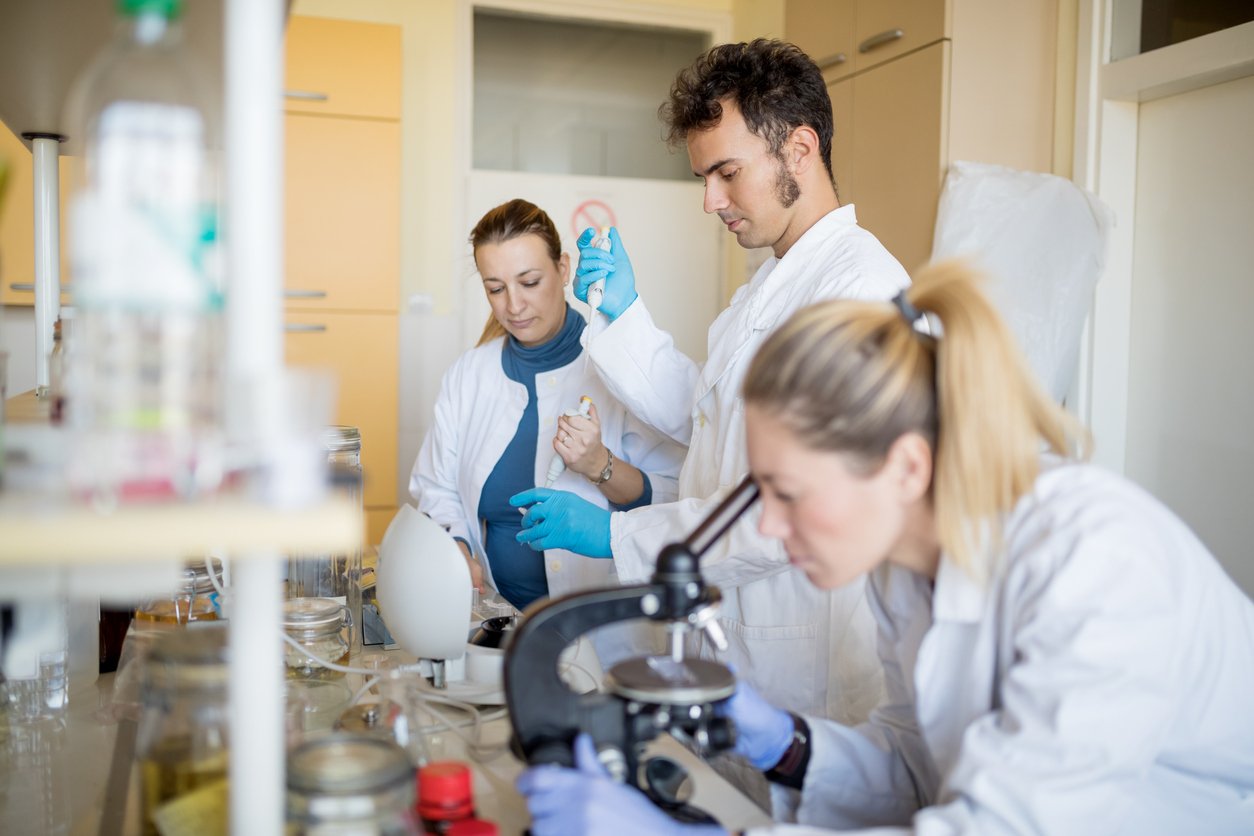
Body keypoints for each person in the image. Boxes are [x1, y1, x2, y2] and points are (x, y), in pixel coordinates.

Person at [516, 261, 1254, 835]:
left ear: (905, 466)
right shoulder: (905, 574)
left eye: (788, 492)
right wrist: (782, 742)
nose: (768, 527)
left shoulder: (1096, 565)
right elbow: (918, 772)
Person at [510, 39, 908, 727]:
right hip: (735, 634)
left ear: (800, 149)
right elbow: (707, 420)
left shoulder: (859, 295)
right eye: (703, 178)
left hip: (803, 661)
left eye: (726, 172)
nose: (710, 201)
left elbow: (792, 514)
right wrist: (624, 315)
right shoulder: (771, 287)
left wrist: (619, 537)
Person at [409, 198, 684, 664]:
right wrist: (455, 545)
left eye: (530, 282)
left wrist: (600, 466)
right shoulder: (469, 375)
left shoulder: (620, 371)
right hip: (496, 632)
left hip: (602, 639)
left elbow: (677, 499)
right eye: (495, 288)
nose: (513, 306)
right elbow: (436, 488)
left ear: (563, 267)